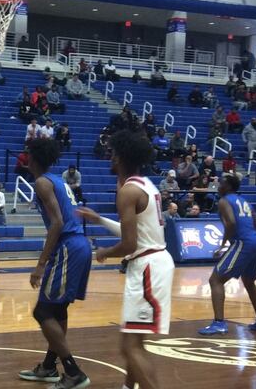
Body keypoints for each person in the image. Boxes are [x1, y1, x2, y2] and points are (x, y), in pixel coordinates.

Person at [75, 131, 174, 389]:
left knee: (130, 347)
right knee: (135, 343)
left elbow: (130, 244)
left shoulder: (128, 191)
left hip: (148, 268)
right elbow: (137, 234)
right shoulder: (144, 185)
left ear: (120, 157)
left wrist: (105, 252)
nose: (110, 157)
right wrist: (100, 220)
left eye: (113, 153)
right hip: (152, 263)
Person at [17, 138, 92, 389]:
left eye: (28, 154)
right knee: (57, 310)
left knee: (43, 311)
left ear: (34, 158)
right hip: (79, 244)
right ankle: (49, 366)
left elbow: (58, 223)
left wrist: (41, 264)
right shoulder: (56, 179)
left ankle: (73, 372)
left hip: (68, 245)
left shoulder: (41, 182)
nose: (25, 157)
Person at [198, 175, 256, 335]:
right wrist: (253, 240)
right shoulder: (244, 201)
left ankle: (219, 323)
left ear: (229, 186)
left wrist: (223, 245)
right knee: (249, 283)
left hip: (244, 242)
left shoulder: (224, 201)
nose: (219, 185)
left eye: (222, 183)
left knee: (215, 279)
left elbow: (231, 222)